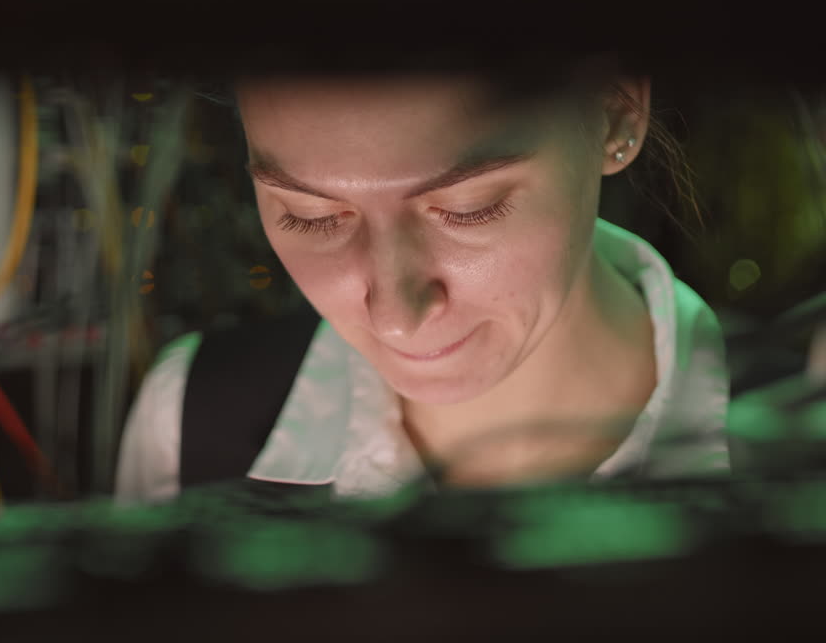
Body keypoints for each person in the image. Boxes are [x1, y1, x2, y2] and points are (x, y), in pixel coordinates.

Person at [115, 57, 730, 502]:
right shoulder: (192, 428)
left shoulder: (798, 440)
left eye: (469, 208)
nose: (395, 315)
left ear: (615, 114)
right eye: (311, 217)